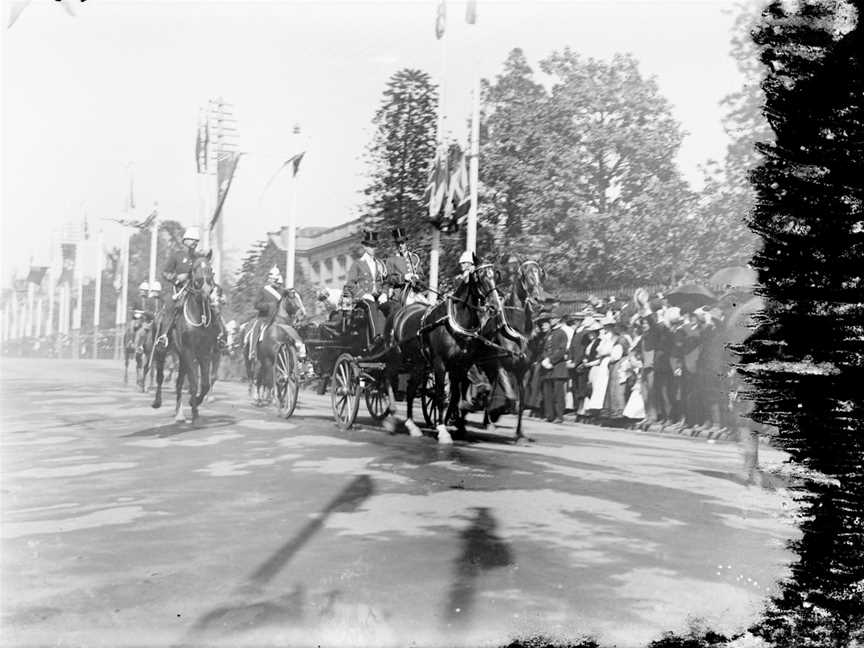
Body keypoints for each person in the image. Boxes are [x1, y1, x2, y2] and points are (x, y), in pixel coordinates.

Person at [155, 227, 201, 346]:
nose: (195, 242)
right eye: (192, 239)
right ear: (185, 240)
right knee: (170, 306)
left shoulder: (198, 257)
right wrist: (177, 278)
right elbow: (165, 272)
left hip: (194, 291)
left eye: (197, 240)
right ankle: (164, 336)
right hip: (177, 290)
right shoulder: (177, 255)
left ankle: (217, 338)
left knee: (210, 305)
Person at [344, 230, 388, 351]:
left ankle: (390, 336)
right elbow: (350, 284)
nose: (373, 248)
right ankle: (376, 338)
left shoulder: (379, 264)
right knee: (371, 306)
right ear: (365, 247)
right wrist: (363, 294)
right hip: (362, 300)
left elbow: (385, 281)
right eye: (370, 246)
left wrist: (384, 293)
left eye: (375, 245)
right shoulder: (358, 264)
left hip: (378, 296)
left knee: (391, 306)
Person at [539, 313, 569, 423]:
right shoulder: (549, 334)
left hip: (558, 367)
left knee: (558, 394)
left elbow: (562, 350)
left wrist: (551, 360)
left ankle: (559, 416)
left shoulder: (562, 333)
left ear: (558, 319)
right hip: (547, 368)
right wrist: (544, 359)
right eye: (550, 318)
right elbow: (545, 349)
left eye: (553, 318)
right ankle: (550, 415)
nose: (551, 320)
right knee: (547, 393)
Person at [385, 227, 427, 305]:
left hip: (415, 291)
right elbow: (389, 279)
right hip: (400, 293)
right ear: (395, 245)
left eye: (402, 243)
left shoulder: (414, 258)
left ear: (406, 243)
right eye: (398, 243)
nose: (400, 246)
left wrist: (417, 277)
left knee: (428, 306)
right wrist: (404, 277)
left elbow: (422, 276)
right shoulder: (390, 260)